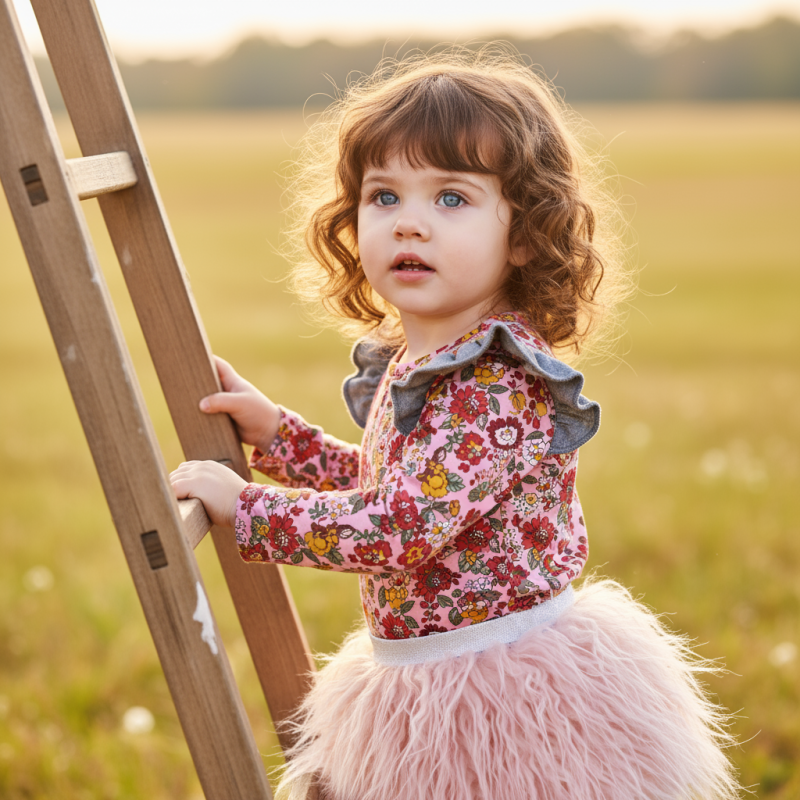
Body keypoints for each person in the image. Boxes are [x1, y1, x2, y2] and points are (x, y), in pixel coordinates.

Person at [169, 49, 741, 800]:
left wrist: (248, 509)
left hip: (501, 696)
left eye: (451, 199)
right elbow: (398, 485)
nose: (411, 223)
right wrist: (278, 436)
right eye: (384, 197)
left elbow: (399, 527)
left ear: (527, 233)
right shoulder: (429, 358)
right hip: (433, 672)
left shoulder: (492, 384)